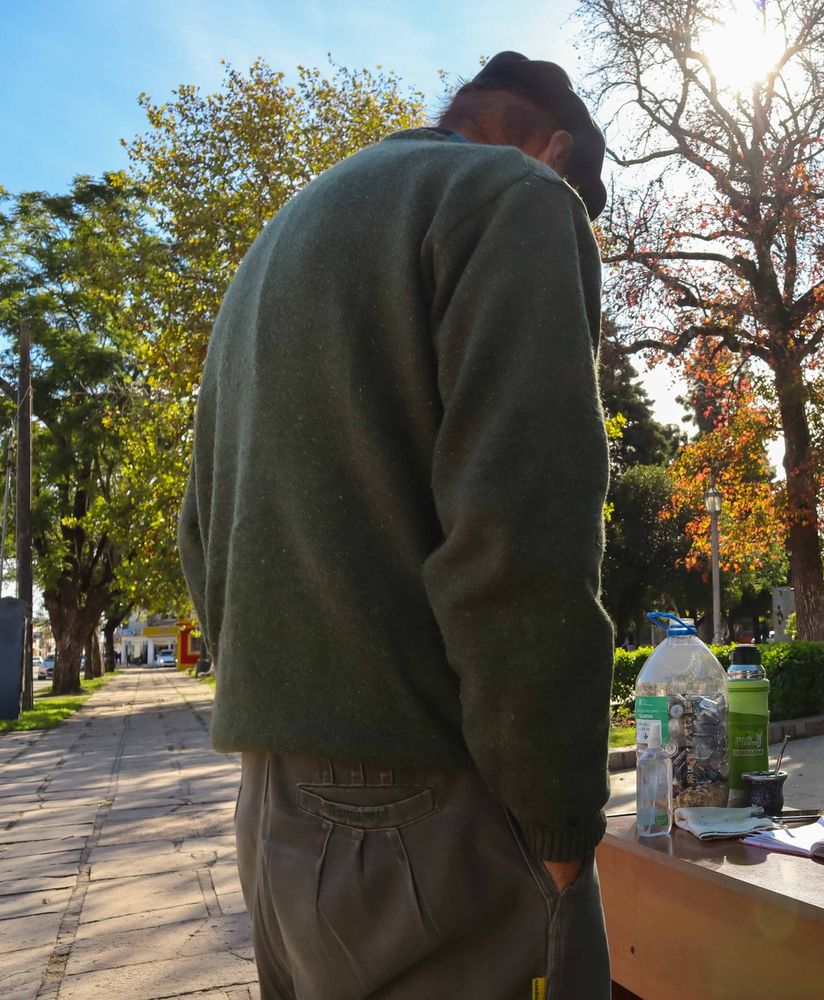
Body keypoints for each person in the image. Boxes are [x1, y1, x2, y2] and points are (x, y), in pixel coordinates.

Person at [178, 52, 614, 999]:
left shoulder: (281, 238)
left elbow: (199, 531)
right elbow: (521, 544)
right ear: (554, 150)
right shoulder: (518, 195)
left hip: (273, 814)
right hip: (431, 814)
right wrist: (559, 830)